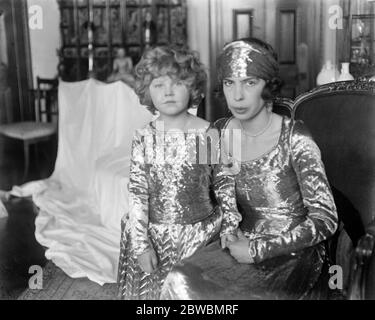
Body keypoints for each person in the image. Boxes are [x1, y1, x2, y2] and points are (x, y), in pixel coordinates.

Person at [160, 38, 338, 300]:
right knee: (180, 279)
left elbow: (326, 219)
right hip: (236, 241)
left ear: (269, 86)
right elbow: (193, 192)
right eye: (229, 83)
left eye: (250, 83)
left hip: (292, 251)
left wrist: (258, 250)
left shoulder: (294, 138)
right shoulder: (218, 132)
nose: (237, 95)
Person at [117, 46, 222, 300]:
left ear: (193, 87)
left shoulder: (208, 133)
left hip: (200, 233)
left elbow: (223, 185)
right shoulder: (143, 137)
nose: (168, 91)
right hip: (155, 233)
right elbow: (138, 192)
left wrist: (228, 230)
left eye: (177, 83)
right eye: (158, 84)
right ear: (147, 91)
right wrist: (142, 246)